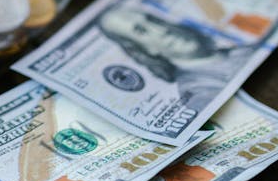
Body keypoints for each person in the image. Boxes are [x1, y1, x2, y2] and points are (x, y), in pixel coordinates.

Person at [96, 8, 254, 113]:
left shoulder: (238, 51)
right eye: (141, 31)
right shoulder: (198, 90)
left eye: (153, 20)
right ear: (144, 49)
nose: (162, 30)